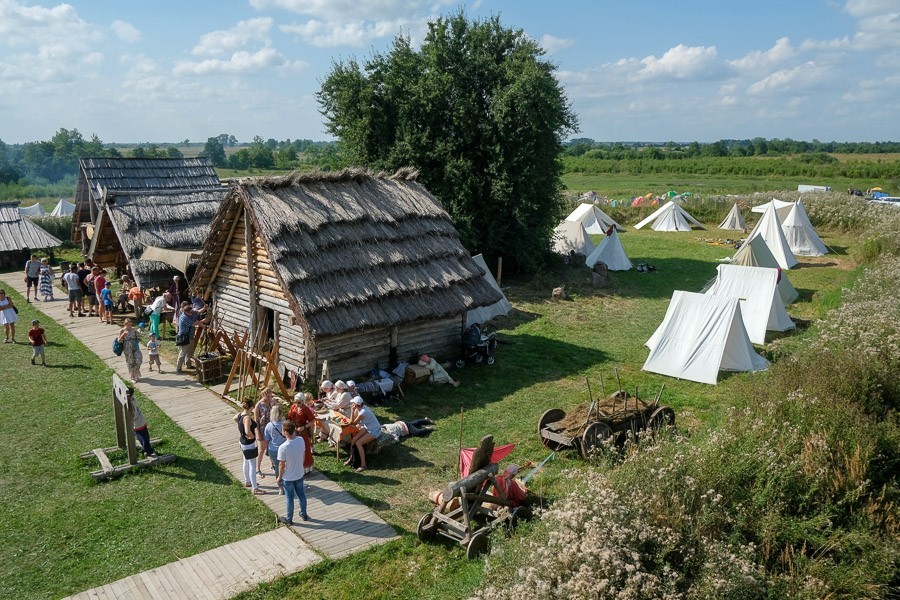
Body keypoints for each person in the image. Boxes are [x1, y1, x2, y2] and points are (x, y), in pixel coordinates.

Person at [276, 420, 309, 525]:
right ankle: (304, 514)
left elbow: (281, 465)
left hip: (288, 477)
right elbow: (303, 455)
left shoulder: (283, 447)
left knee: (289, 498)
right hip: (299, 473)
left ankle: (289, 519)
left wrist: (279, 477)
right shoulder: (300, 440)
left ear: (285, 432)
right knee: (301, 494)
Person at [235, 399, 265, 495]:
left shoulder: (240, 414)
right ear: (251, 407)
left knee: (245, 462)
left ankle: (248, 481)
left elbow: (235, 418)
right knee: (252, 465)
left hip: (242, 442)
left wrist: (242, 431)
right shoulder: (247, 418)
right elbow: (248, 431)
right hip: (249, 444)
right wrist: (251, 436)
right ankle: (255, 488)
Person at [347, 396, 381, 473]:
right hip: (367, 427)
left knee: (358, 443)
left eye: (353, 403)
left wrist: (352, 410)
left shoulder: (363, 412)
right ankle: (351, 458)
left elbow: (352, 422)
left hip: (374, 430)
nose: (352, 404)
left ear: (356, 405)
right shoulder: (361, 408)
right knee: (354, 439)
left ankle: (363, 464)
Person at [287, 392, 316, 472]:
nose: (296, 404)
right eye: (295, 402)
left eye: (299, 402)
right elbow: (289, 417)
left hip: (302, 432)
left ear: (303, 401)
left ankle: (304, 468)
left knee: (304, 449)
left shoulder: (306, 409)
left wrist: (304, 427)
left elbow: (312, 421)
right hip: (293, 431)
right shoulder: (293, 407)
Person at [175, 302, 208, 374]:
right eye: (190, 312)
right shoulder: (184, 318)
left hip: (190, 337)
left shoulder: (191, 313)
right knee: (182, 353)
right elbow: (194, 324)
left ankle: (188, 365)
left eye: (191, 311)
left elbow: (198, 312)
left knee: (190, 352)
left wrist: (204, 308)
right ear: (185, 312)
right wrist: (203, 321)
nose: (191, 313)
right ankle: (178, 368)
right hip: (184, 337)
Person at [126, 388, 157, 458]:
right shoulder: (133, 399)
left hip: (138, 424)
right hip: (141, 422)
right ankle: (147, 449)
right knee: (145, 436)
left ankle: (148, 450)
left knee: (143, 437)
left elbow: (132, 415)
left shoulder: (130, 405)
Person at [264, 404, 287, 494]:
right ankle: (289, 483)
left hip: (273, 449)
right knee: (287, 466)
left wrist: (267, 449)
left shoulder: (269, 425)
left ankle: (280, 487)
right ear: (280, 413)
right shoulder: (285, 424)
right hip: (285, 449)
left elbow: (266, 439)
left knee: (278, 468)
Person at [254, 388, 274, 476]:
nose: (270, 398)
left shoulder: (271, 402)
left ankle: (273, 465)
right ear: (263, 395)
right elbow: (256, 421)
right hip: (262, 429)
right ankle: (258, 469)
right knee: (261, 450)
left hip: (271, 428)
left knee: (271, 447)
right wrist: (258, 433)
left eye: (271, 396)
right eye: (268, 396)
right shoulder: (258, 405)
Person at [117, 318, 143, 383]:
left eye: (130, 325)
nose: (130, 327)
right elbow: (119, 341)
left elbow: (139, 338)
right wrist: (123, 335)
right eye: (128, 325)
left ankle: (135, 371)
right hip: (127, 348)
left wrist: (138, 334)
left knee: (139, 359)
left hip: (135, 347)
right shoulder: (122, 330)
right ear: (125, 324)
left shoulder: (133, 329)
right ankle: (132, 377)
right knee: (130, 362)